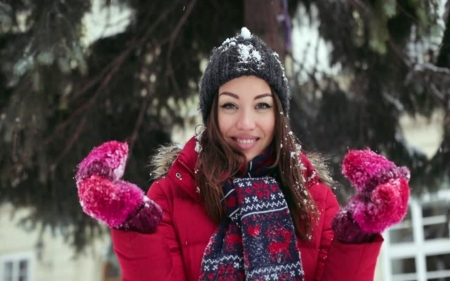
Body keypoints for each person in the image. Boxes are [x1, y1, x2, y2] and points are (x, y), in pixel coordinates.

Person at [75, 27, 411, 281]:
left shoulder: (316, 199)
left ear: (278, 115)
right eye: (230, 105)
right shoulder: (172, 193)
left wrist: (360, 232)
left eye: (262, 105)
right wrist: (134, 224)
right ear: (212, 114)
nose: (246, 123)